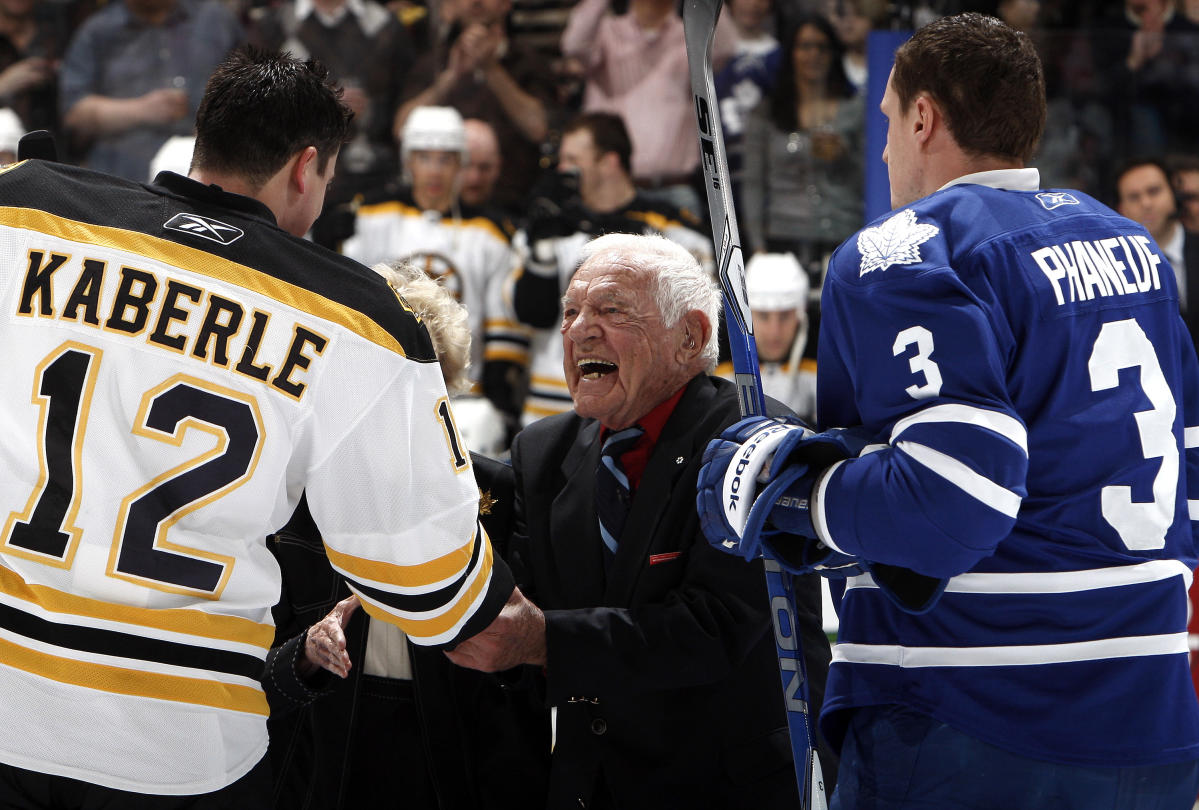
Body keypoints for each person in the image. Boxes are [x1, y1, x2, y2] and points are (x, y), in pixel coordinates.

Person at [0, 46, 536, 805]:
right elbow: (437, 591)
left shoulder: (24, 213)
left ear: (203, 139)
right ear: (305, 167)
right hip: (179, 746)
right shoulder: (360, 323)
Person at [698, 13, 1199, 808]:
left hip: (969, 720)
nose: (887, 145)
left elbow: (951, 504)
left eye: (889, 120)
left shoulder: (906, 249)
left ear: (923, 117)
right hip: (1153, 724)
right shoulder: (1130, 247)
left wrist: (791, 493)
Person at [450, 232, 834, 809]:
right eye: (571, 312)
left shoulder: (756, 445)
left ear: (691, 337)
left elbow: (715, 627)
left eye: (611, 309)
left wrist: (543, 640)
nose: (580, 330)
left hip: (732, 789)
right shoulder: (542, 453)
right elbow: (518, 616)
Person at [263, 261, 546, 810]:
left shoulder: (498, 491)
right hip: (321, 753)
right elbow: (253, 671)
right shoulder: (289, 495)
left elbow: (525, 676)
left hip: (457, 755)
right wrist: (305, 654)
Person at [508, 112, 712, 425]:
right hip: (549, 406)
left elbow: (698, 332)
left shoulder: (675, 235)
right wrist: (542, 249)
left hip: (640, 410)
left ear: (609, 162)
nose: (563, 170)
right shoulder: (547, 227)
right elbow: (530, 314)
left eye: (573, 159)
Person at [342, 105, 529, 432]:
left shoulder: (492, 232)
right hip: (382, 385)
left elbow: (502, 326)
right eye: (424, 158)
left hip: (465, 398)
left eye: (445, 159)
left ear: (461, 164)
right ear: (408, 161)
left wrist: (497, 397)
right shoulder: (373, 216)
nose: (434, 171)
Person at [245, 0, 415, 244]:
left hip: (373, 182)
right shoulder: (274, 24)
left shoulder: (385, 26)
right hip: (292, 172)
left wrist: (371, 111)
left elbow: (406, 98)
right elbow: (252, 101)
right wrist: (319, 102)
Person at [560, 0, 737, 213]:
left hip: (675, 189)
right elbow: (574, 45)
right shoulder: (607, 32)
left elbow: (726, 48)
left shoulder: (688, 35)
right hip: (610, 191)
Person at [394, 0, 553, 213]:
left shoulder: (530, 62)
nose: (476, 2)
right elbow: (402, 129)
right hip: (440, 205)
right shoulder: (433, 63)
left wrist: (491, 70)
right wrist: (451, 76)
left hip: (512, 202)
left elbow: (539, 129)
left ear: (506, 4)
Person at [58, 0, 244, 181]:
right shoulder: (97, 31)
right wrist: (141, 110)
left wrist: (218, 124)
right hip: (124, 176)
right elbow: (74, 113)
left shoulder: (215, 19)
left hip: (207, 170)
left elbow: (251, 90)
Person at [741, 14, 864, 281]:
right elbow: (753, 183)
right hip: (782, 235)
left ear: (834, 54)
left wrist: (844, 155)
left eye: (822, 47)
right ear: (791, 53)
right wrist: (757, 245)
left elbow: (871, 177)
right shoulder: (766, 113)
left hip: (843, 232)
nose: (814, 55)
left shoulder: (855, 110)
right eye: (805, 46)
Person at [714, 251, 815, 421]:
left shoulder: (822, 375)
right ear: (746, 317)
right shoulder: (717, 376)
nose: (774, 331)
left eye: (784, 316)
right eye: (763, 316)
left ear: (800, 317)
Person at [1116, 157, 1199, 348]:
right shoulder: (1118, 268)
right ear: (1121, 209)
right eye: (1134, 197)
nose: (1146, 203)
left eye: (1154, 191)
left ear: (1174, 194)